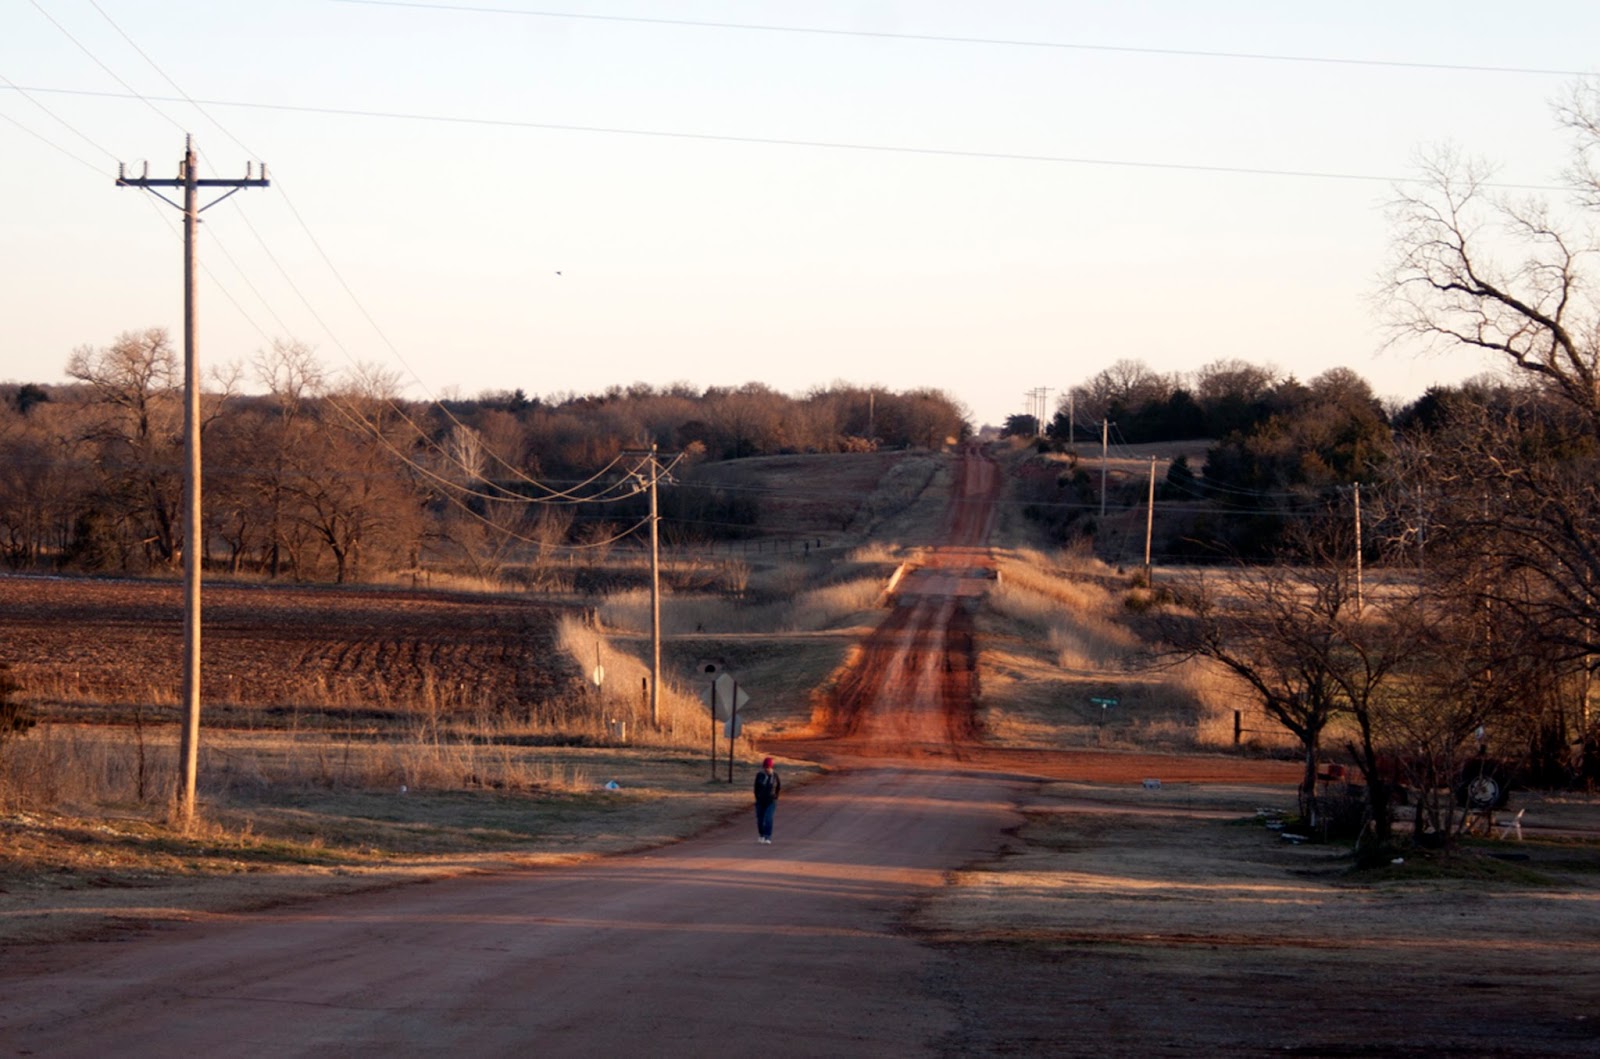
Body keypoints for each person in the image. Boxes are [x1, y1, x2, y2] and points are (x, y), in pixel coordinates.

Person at [753, 756, 780, 844]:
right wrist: (757, 797)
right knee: (760, 820)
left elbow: (778, 787)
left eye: (768, 767)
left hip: (771, 801)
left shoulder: (775, 776)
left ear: (771, 767)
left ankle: (768, 836)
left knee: (768, 818)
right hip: (760, 801)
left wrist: (775, 796)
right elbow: (756, 788)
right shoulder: (760, 775)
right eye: (765, 767)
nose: (767, 769)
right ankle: (761, 835)